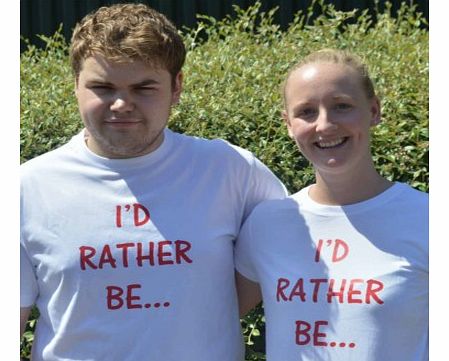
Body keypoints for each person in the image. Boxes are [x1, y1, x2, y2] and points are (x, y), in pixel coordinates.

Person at [20, 3, 287, 360]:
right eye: (102, 87)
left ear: (176, 87)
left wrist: (205, 318)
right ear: (76, 86)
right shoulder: (25, 188)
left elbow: (291, 256)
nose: (121, 104)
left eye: (144, 88)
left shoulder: (231, 171)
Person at [235, 49, 428, 360]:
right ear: (288, 124)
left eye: (341, 106)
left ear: (374, 111)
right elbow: (210, 320)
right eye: (306, 112)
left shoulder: (427, 218)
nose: (324, 125)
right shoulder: (267, 223)